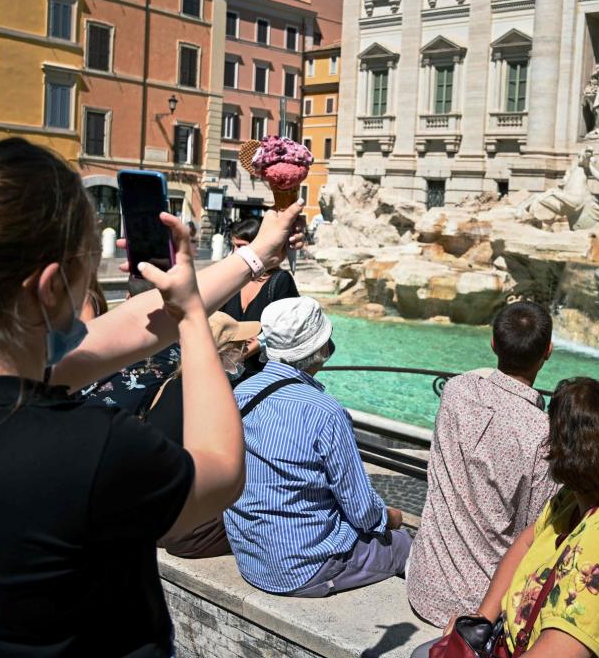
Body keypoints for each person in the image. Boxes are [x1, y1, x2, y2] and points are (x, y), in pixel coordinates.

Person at [0, 138, 303, 656]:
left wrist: (252, 257)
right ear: (49, 289)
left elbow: (119, 333)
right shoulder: (88, 449)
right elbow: (222, 471)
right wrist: (192, 322)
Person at [412, 378, 599, 658]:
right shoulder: (593, 498)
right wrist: (482, 619)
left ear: (561, 450)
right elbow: (526, 543)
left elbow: (562, 647)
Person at [226, 296, 409, 598]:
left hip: (251, 558)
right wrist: (389, 518)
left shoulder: (241, 392)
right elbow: (362, 510)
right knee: (402, 543)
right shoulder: (326, 412)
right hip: (302, 568)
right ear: (321, 350)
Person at [407, 301, 561, 626]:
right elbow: (536, 534)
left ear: (493, 343)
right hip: (485, 609)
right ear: (547, 351)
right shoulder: (543, 436)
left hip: (424, 585)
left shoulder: (455, 391)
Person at [145, 312, 261, 560]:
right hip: (187, 533)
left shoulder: (170, 384)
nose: (243, 352)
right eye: (239, 346)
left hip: (151, 518)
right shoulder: (218, 399)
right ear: (223, 352)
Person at [219, 218, 299, 384]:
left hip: (260, 379)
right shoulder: (232, 279)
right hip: (224, 375)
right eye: (233, 246)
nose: (235, 252)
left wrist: (243, 353)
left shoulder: (281, 281)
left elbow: (284, 329)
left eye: (241, 246)